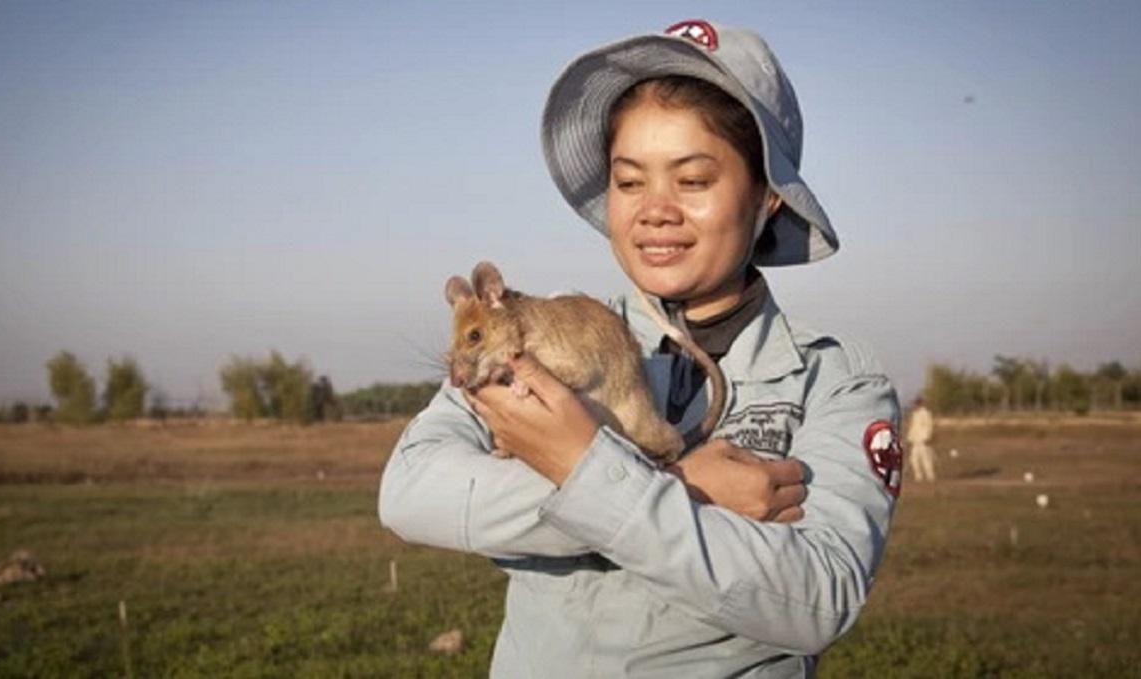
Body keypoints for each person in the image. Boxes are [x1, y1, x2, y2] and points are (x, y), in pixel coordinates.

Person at [379, 19, 902, 677]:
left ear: (768, 199)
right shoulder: (535, 342)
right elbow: (410, 492)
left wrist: (580, 472)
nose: (655, 210)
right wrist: (674, 487)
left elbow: (818, 598)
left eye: (692, 179)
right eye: (629, 182)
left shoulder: (836, 384)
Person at [906, 397, 937, 482]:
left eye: (915, 404)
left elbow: (929, 426)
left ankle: (930, 476)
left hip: (924, 439)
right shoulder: (915, 414)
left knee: (926, 458)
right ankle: (918, 476)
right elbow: (913, 427)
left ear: (919, 404)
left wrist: (928, 437)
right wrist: (910, 438)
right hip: (915, 440)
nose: (913, 406)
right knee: (914, 459)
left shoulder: (926, 413)